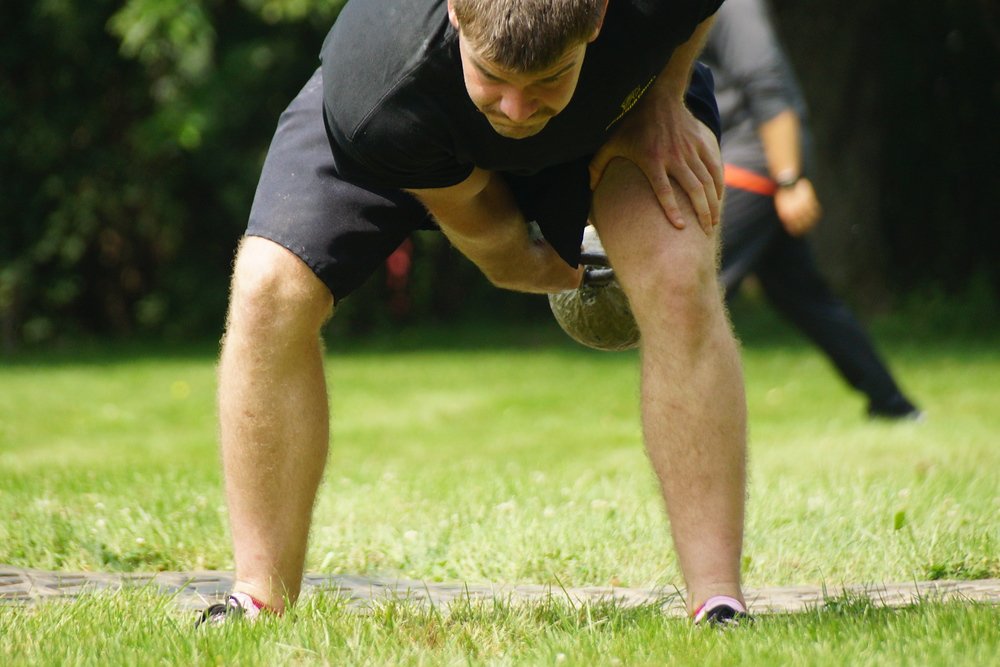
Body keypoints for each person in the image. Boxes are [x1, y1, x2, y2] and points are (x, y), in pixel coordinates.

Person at [203, 0, 749, 626]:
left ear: (599, 18)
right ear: (458, 12)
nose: (517, 109)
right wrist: (539, 264)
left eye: (546, 80)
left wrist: (664, 96)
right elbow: (489, 230)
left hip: (620, 103)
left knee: (678, 279)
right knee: (267, 287)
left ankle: (719, 603)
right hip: (423, 113)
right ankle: (259, 595)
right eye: (495, 77)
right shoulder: (382, 78)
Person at [702, 0, 921, 420]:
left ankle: (691, 418)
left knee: (687, 289)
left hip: (754, 164)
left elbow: (766, 82)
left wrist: (788, 180)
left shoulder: (733, 5)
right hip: (750, 161)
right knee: (804, 296)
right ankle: (893, 404)